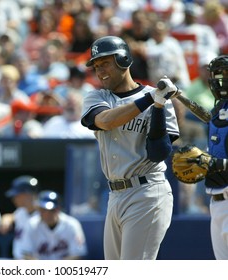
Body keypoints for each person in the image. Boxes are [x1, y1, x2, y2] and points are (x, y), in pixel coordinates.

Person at [80, 36, 180, 259]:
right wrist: (149, 99)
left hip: (147, 192)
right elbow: (105, 121)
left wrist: (158, 106)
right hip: (114, 195)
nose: (100, 71)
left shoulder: (159, 99)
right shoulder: (97, 96)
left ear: (123, 60)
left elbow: (158, 153)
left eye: (105, 63)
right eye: (96, 66)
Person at [201, 55, 228, 259]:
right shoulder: (218, 110)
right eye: (220, 74)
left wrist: (216, 164)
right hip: (216, 201)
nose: (222, 80)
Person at [14, 190, 87, 260]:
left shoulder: (72, 224)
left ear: (58, 209)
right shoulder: (31, 225)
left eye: (50, 210)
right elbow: (25, 254)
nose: (46, 213)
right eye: (42, 210)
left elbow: (77, 254)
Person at [0, 175, 40, 258]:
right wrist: (6, 218)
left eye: (17, 195)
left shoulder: (44, 215)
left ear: (28, 195)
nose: (14, 199)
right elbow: (12, 216)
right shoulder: (21, 211)